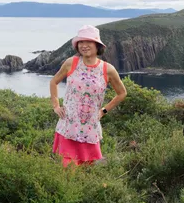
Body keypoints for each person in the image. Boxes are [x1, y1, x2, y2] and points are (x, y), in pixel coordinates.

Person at [50, 25, 127, 167]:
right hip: (69, 126)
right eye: (81, 42)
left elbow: (122, 93)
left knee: (86, 169)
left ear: (97, 45)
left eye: (88, 42)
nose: (84, 46)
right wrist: (56, 105)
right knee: (68, 168)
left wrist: (104, 111)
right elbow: (54, 82)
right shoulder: (71, 63)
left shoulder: (107, 69)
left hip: (90, 128)